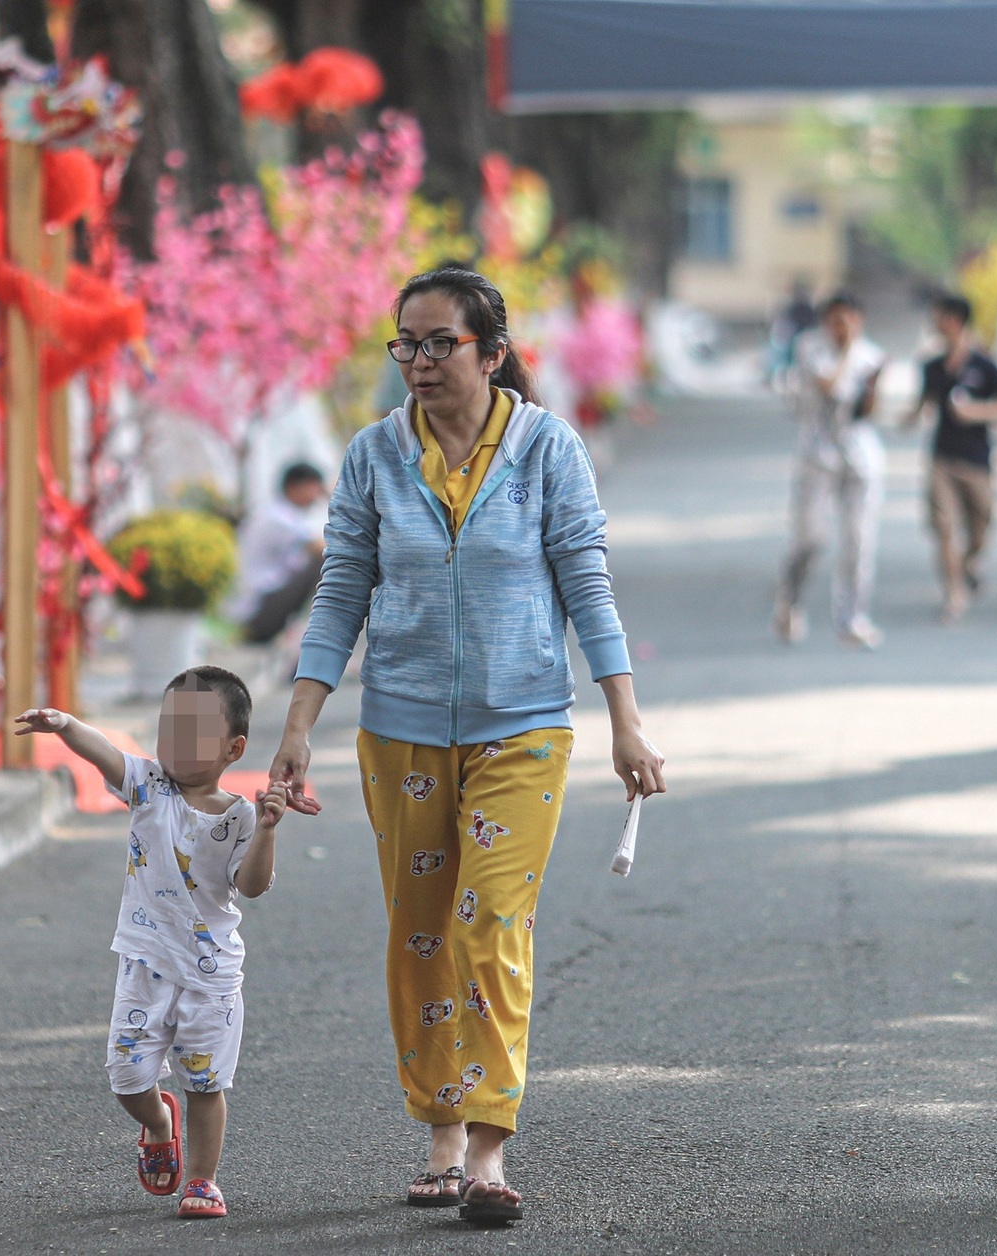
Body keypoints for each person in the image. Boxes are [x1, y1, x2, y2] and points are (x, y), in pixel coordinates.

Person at [264, 266, 666, 1226]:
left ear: (492, 351)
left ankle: (487, 1146)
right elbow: (342, 592)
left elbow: (587, 581)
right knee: (421, 932)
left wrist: (625, 718)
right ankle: (439, 1130)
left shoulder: (546, 450)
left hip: (523, 725)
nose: (419, 361)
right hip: (399, 728)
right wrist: (297, 724)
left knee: (490, 924)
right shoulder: (370, 456)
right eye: (406, 343)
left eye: (440, 343)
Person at [14, 666, 285, 1220]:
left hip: (211, 976)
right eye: (171, 727)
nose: (178, 742)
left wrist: (269, 830)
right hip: (145, 965)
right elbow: (104, 753)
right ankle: (159, 1122)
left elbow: (251, 886)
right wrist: (65, 724)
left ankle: (203, 1180)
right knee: (127, 1077)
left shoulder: (241, 816)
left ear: (234, 747)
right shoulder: (147, 785)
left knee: (206, 1084)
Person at [772, 293, 889, 650]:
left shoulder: (872, 355)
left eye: (850, 319)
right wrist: (849, 351)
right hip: (817, 454)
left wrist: (873, 385)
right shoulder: (811, 349)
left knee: (858, 539)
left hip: (859, 456)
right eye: (837, 320)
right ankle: (790, 603)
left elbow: (867, 411)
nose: (844, 327)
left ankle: (852, 616)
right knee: (811, 538)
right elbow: (830, 385)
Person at [913, 294, 997, 622]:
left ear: (955, 320)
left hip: (976, 460)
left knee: (981, 526)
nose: (935, 322)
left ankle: (968, 564)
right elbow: (922, 405)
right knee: (944, 528)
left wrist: (976, 412)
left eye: (940, 315)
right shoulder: (931, 367)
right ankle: (954, 593)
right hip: (942, 458)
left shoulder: (984, 365)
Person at [227, 462, 329, 645]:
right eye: (314, 488)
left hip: (258, 603)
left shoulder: (277, 511)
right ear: (294, 486)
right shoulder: (279, 516)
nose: (318, 495)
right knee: (326, 563)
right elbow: (323, 549)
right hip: (256, 609)